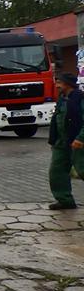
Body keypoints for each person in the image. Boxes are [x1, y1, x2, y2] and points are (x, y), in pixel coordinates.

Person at [47, 72, 84, 210]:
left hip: (78, 143)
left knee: (82, 170)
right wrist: (54, 139)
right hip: (61, 143)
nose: (56, 86)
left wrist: (81, 138)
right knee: (56, 171)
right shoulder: (62, 98)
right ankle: (64, 200)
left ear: (67, 84)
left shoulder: (80, 98)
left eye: (59, 83)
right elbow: (57, 120)